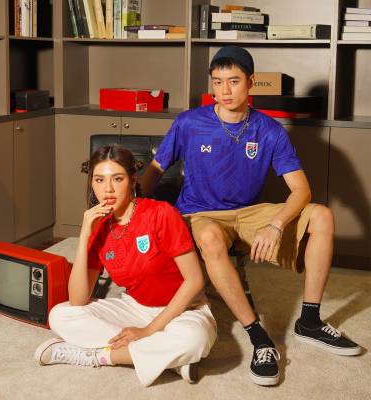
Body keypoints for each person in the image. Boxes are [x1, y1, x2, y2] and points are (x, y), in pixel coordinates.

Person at [141, 45, 361, 386]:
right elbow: (155, 170)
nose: (225, 91)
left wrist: (276, 225)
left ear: (251, 83)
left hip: (248, 212)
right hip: (199, 212)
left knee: (322, 216)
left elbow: (301, 190)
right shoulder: (189, 122)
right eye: (217, 82)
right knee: (210, 237)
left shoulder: (269, 130)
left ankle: (310, 321)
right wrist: (141, 209)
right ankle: (259, 337)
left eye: (233, 81)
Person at [34, 146, 217, 387]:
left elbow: (195, 281)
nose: (107, 189)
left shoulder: (161, 213)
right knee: (60, 315)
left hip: (183, 309)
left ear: (132, 180)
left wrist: (149, 330)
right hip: (135, 308)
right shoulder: (99, 228)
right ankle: (168, 358)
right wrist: (85, 235)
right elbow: (78, 300)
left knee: (195, 339)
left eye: (117, 179)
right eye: (99, 180)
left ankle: (97, 356)